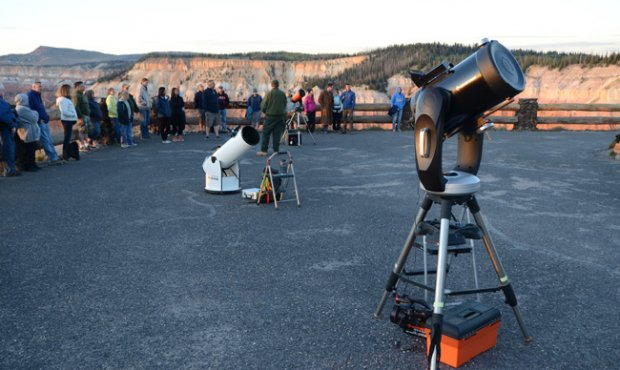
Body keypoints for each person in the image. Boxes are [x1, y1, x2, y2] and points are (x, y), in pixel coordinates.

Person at [28, 81, 62, 164]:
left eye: (41, 86)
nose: (41, 88)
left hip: (44, 121)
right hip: (40, 122)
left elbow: (40, 108)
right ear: (33, 87)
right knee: (46, 140)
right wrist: (39, 119)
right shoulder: (31, 96)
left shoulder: (37, 95)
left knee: (49, 139)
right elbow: (32, 110)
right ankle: (53, 158)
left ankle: (53, 157)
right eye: (39, 86)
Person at [257, 80, 287, 156]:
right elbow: (285, 104)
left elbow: (263, 105)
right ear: (278, 85)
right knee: (277, 134)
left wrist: (265, 111)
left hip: (270, 117)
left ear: (272, 85)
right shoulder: (282, 94)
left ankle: (264, 150)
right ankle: (276, 150)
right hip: (280, 117)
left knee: (266, 133)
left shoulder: (269, 94)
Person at [14, 93, 41, 172]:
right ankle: (30, 166)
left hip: (29, 131)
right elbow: (34, 118)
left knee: (31, 149)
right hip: (27, 132)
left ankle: (32, 165)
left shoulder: (23, 108)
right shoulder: (21, 109)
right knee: (30, 150)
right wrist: (36, 112)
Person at [56, 84, 78, 160]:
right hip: (67, 120)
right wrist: (73, 115)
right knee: (67, 137)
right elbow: (64, 112)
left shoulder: (65, 99)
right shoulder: (63, 100)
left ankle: (67, 154)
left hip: (68, 120)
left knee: (68, 137)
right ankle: (65, 155)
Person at [0, 90, 18, 176]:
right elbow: (3, 115)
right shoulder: (2, 103)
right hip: (5, 128)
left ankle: (6, 170)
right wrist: (12, 124)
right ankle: (9, 170)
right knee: (8, 148)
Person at [72, 81, 91, 151]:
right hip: (81, 116)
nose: (84, 87)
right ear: (77, 87)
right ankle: (82, 145)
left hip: (86, 116)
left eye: (84, 86)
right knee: (81, 131)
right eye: (82, 86)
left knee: (85, 131)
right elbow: (76, 107)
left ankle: (87, 145)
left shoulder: (82, 95)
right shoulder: (76, 95)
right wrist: (79, 117)